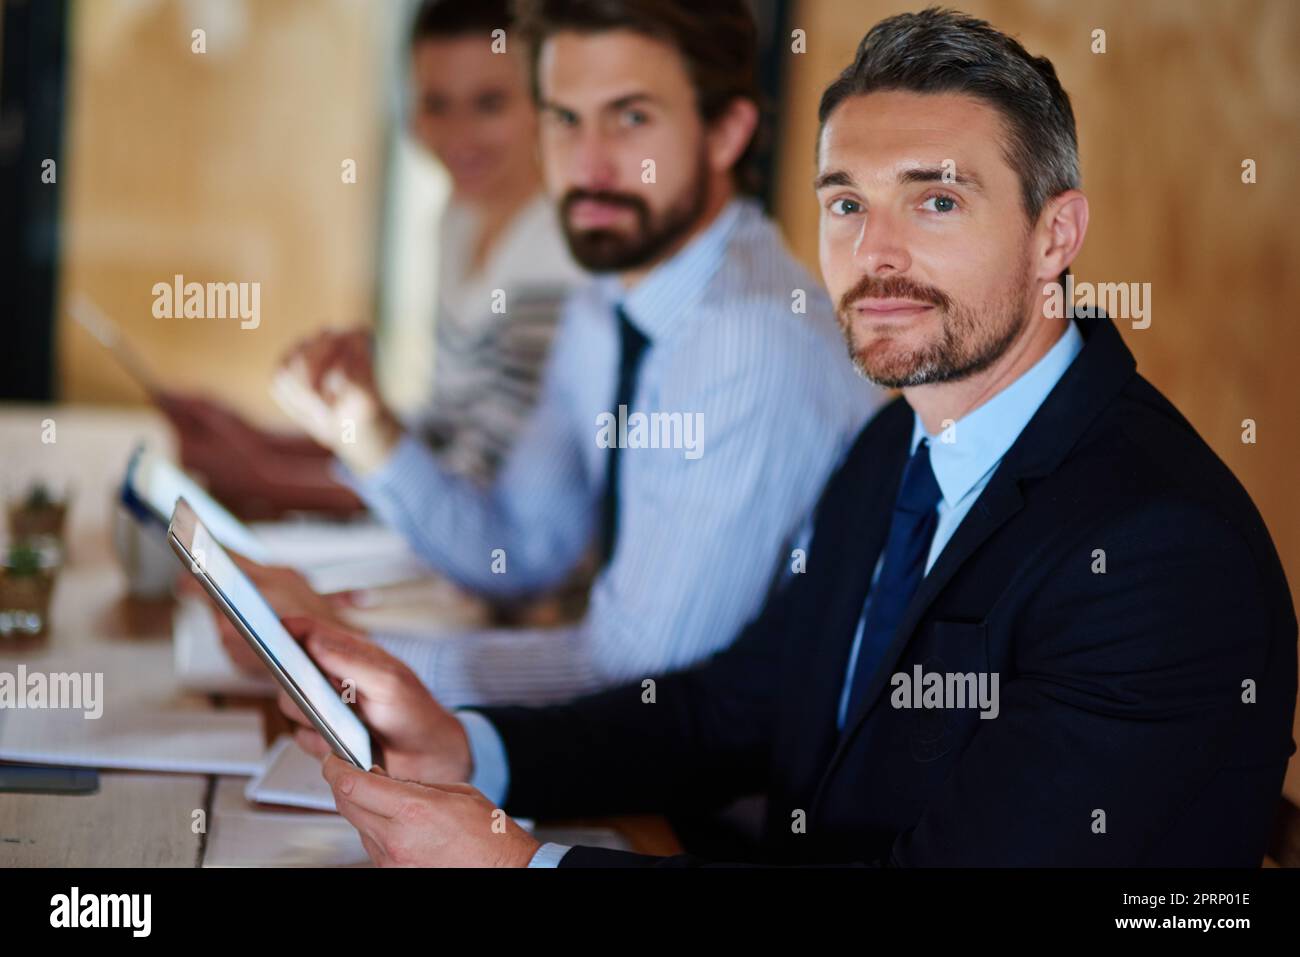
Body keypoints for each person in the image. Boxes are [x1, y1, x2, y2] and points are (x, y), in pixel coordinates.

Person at [275, 7, 1297, 867]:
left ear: (1055, 236)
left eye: (935, 200)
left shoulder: (1155, 552)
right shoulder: (893, 452)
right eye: (845, 203)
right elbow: (731, 710)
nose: (875, 253)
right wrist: (473, 751)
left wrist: (524, 863)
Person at [232, 0, 883, 708]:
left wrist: (341, 652)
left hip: (721, 808)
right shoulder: (605, 301)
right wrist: (369, 437)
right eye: (563, 118)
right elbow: (519, 549)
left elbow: (639, 676)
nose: (589, 162)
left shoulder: (747, 339)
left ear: (726, 132)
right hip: (631, 769)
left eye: (631, 117)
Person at [157, 0, 584, 515]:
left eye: (489, 103)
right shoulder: (458, 218)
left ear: (545, 104)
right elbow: (440, 439)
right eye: (436, 104)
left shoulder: (557, 259)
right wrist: (260, 441)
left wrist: (261, 477)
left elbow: (473, 487)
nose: (458, 134)